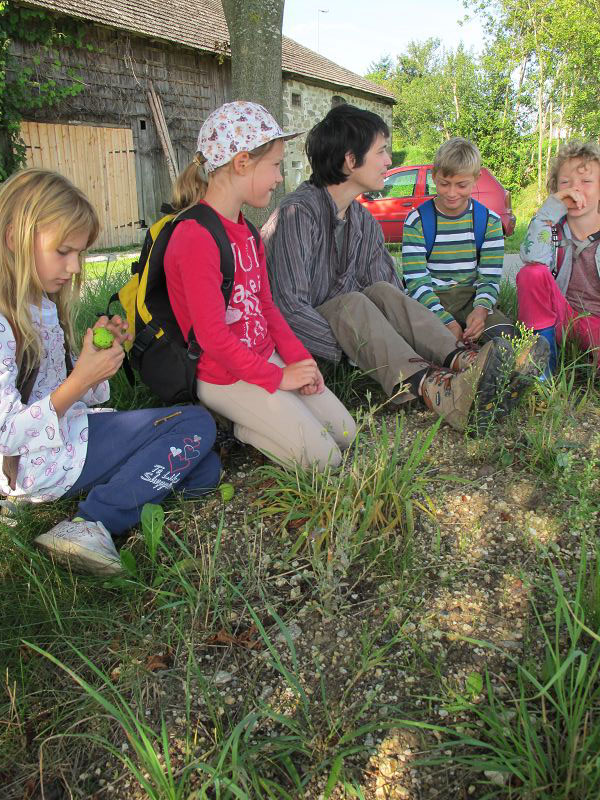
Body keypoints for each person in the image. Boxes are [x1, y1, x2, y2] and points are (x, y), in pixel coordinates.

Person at [262, 105, 543, 433]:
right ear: (351, 161)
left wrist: (403, 335)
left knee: (382, 292)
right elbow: (288, 310)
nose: (388, 161)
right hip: (303, 342)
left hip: (359, 327)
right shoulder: (297, 215)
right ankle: (439, 390)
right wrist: (360, 345)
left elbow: (388, 290)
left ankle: (465, 362)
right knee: (352, 303)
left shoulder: (363, 220)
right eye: (381, 151)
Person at [0, 169, 221, 576]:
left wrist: (96, 367)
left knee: (204, 467)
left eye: (80, 254)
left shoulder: (43, 306)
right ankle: (91, 522)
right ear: (15, 238)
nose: (73, 267)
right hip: (37, 460)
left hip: (64, 442)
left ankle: (113, 496)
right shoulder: (3, 323)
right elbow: (5, 432)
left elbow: (69, 395)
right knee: (194, 423)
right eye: (63, 251)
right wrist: (81, 378)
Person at [164, 101, 356, 470]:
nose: (279, 177)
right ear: (242, 163)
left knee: (347, 434)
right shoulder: (195, 236)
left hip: (265, 359)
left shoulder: (248, 232)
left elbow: (267, 309)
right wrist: (279, 378)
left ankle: (273, 419)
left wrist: (300, 361)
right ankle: (242, 429)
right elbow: (213, 338)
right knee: (326, 459)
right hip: (224, 376)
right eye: (275, 166)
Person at [402, 136, 514, 342]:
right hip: (429, 299)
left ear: (476, 178)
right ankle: (451, 361)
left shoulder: (490, 221)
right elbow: (416, 282)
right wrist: (446, 321)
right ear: (434, 177)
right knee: (420, 339)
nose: (452, 193)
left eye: (461, 185)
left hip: (471, 298)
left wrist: (481, 311)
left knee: (505, 334)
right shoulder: (416, 220)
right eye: (444, 184)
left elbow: (489, 278)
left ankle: (482, 360)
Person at [517, 140, 600, 373]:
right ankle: (543, 368)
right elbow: (532, 258)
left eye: (586, 182)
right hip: (557, 320)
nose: (575, 190)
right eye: (565, 183)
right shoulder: (552, 228)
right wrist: (549, 211)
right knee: (531, 273)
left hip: (596, 324)